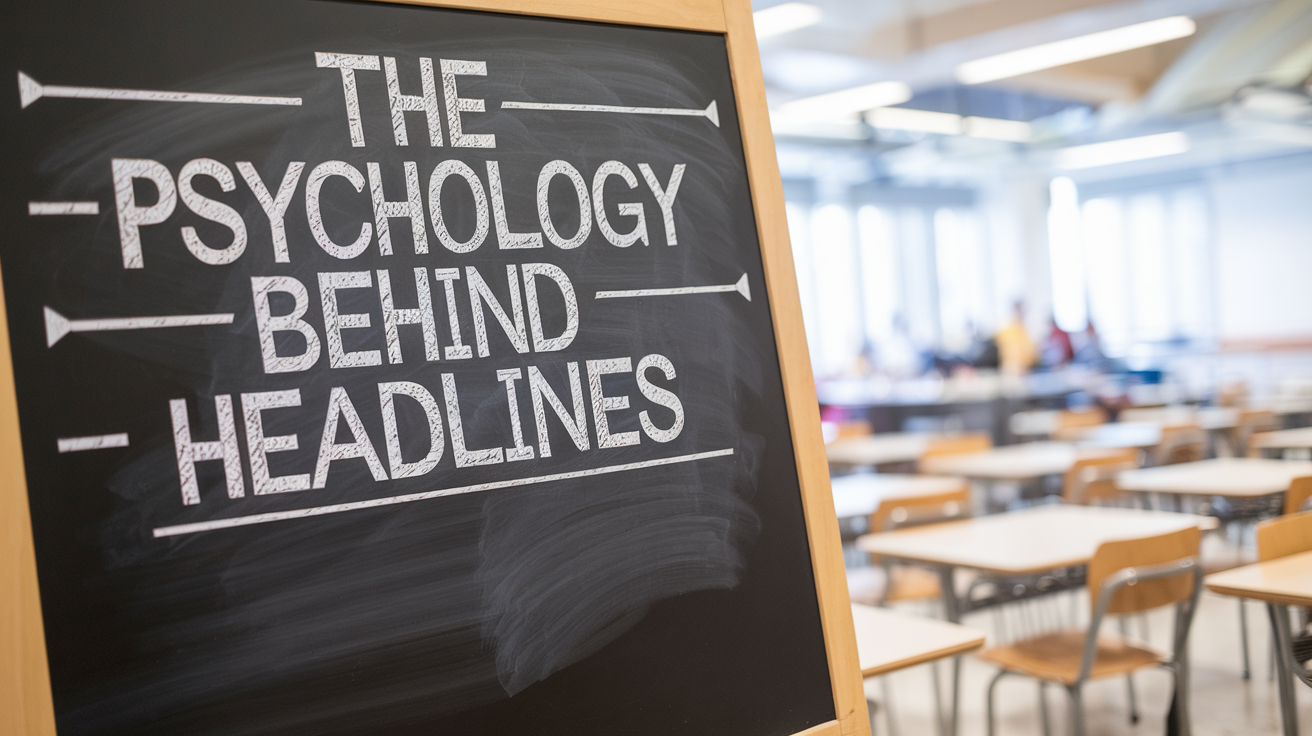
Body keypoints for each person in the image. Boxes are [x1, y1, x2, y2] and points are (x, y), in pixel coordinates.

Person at [995, 301, 1037, 375]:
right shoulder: (1006, 330)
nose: (1023, 313)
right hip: (1010, 370)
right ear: (1015, 310)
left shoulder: (1025, 331)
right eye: (1021, 310)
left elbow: (1032, 354)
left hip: (1027, 371)